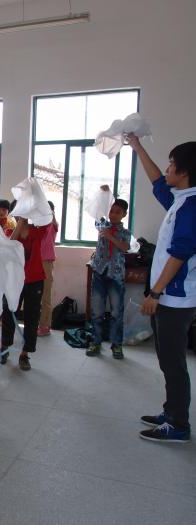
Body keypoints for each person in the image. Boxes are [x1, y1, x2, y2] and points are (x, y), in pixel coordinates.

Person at [127, 133, 196, 444]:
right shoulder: (181, 198)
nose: (166, 169)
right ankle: (171, 412)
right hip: (168, 295)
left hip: (175, 298)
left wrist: (155, 293)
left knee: (172, 361)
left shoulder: (191, 207)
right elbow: (157, 183)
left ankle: (178, 424)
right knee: (168, 358)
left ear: (184, 172)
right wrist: (138, 147)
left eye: (171, 164)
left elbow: (180, 253)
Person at [0, 209, 49, 371]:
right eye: (21, 211)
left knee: (32, 317)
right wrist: (20, 223)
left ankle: (25, 354)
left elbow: (48, 218)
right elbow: (10, 246)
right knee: (8, 313)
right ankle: (4, 348)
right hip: (14, 280)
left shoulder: (38, 230)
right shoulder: (9, 232)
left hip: (35, 280)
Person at [86, 197, 131, 358]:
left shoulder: (125, 232)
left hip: (115, 275)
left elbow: (125, 247)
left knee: (116, 312)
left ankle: (116, 345)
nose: (113, 214)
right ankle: (95, 342)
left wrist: (111, 237)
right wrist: (103, 194)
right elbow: (96, 213)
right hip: (99, 272)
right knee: (97, 311)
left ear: (124, 214)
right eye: (112, 210)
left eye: (118, 212)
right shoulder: (103, 224)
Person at [38, 201, 59, 336]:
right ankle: (38, 323)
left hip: (45, 262)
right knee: (35, 295)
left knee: (45, 295)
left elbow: (53, 222)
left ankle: (45, 325)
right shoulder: (37, 224)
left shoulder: (52, 224)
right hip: (35, 261)